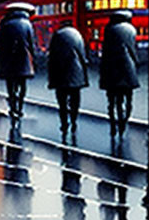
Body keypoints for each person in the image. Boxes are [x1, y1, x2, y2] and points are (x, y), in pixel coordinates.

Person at [99, 10, 140, 140]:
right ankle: (124, 121)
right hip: (128, 68)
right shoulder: (131, 29)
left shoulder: (109, 29)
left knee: (112, 102)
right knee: (128, 99)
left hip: (111, 69)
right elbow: (133, 50)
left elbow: (105, 51)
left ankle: (113, 124)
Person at [47, 22, 89, 144]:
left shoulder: (57, 36)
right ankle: (74, 121)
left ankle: (64, 124)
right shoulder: (78, 35)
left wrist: (51, 77)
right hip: (76, 73)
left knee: (62, 102)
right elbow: (82, 56)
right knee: (75, 100)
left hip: (60, 73)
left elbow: (52, 57)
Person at [0, 2, 36, 124]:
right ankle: (20, 107)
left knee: (10, 84)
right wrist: (33, 58)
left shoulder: (5, 24)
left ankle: (12, 106)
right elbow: (31, 44)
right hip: (23, 58)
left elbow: (1, 45)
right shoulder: (28, 24)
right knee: (22, 84)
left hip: (8, 59)